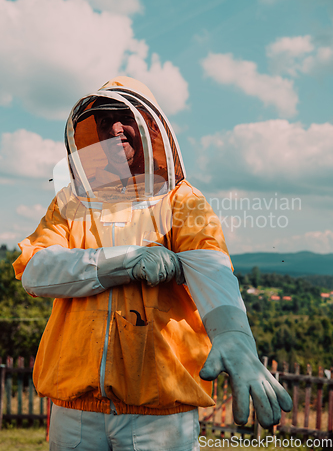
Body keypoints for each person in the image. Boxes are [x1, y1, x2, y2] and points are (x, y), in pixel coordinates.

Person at [13, 76, 292, 451]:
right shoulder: (70, 202)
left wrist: (233, 335)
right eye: (105, 118)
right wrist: (125, 262)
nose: (115, 127)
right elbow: (36, 271)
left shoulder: (182, 200)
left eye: (125, 115)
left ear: (149, 125)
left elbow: (210, 268)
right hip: (74, 410)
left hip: (160, 415)